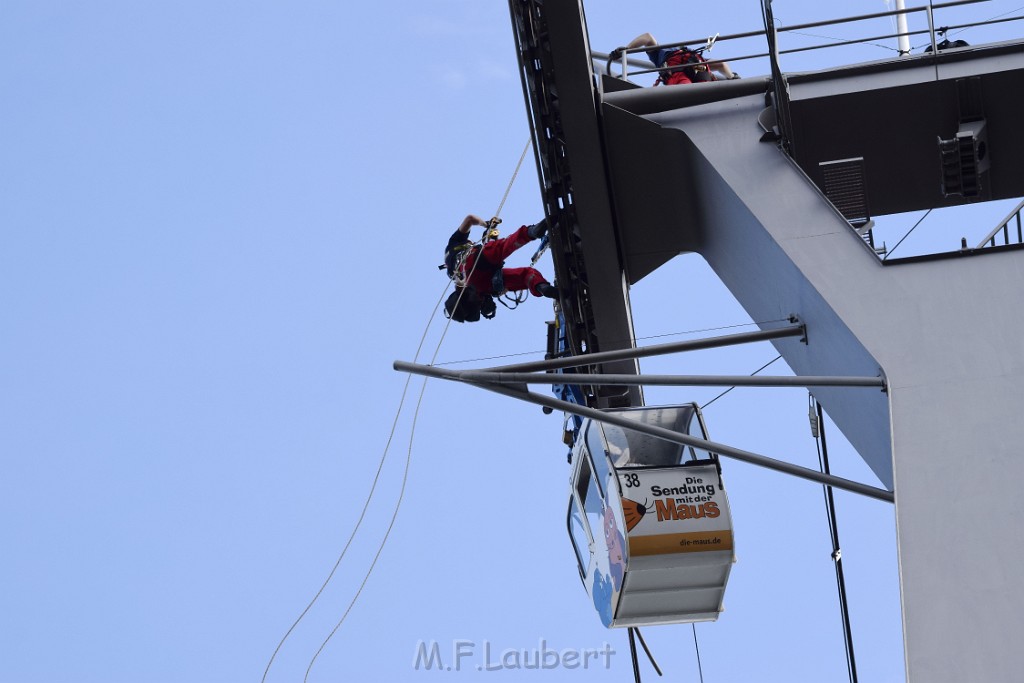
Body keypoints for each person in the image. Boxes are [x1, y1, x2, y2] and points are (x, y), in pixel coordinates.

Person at [442, 214, 558, 322]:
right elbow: (470, 219)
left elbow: (475, 286)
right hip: (474, 259)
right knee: (506, 245)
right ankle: (532, 232)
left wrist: (492, 296)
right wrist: (486, 224)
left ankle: (541, 287)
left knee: (523, 275)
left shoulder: (455, 274)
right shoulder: (453, 246)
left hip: (478, 283)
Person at [613, 32, 738, 86]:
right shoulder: (661, 53)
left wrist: (732, 77)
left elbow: (721, 64)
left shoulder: (695, 57)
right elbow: (648, 37)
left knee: (695, 87)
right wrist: (626, 49)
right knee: (689, 89)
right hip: (679, 75)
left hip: (696, 74)